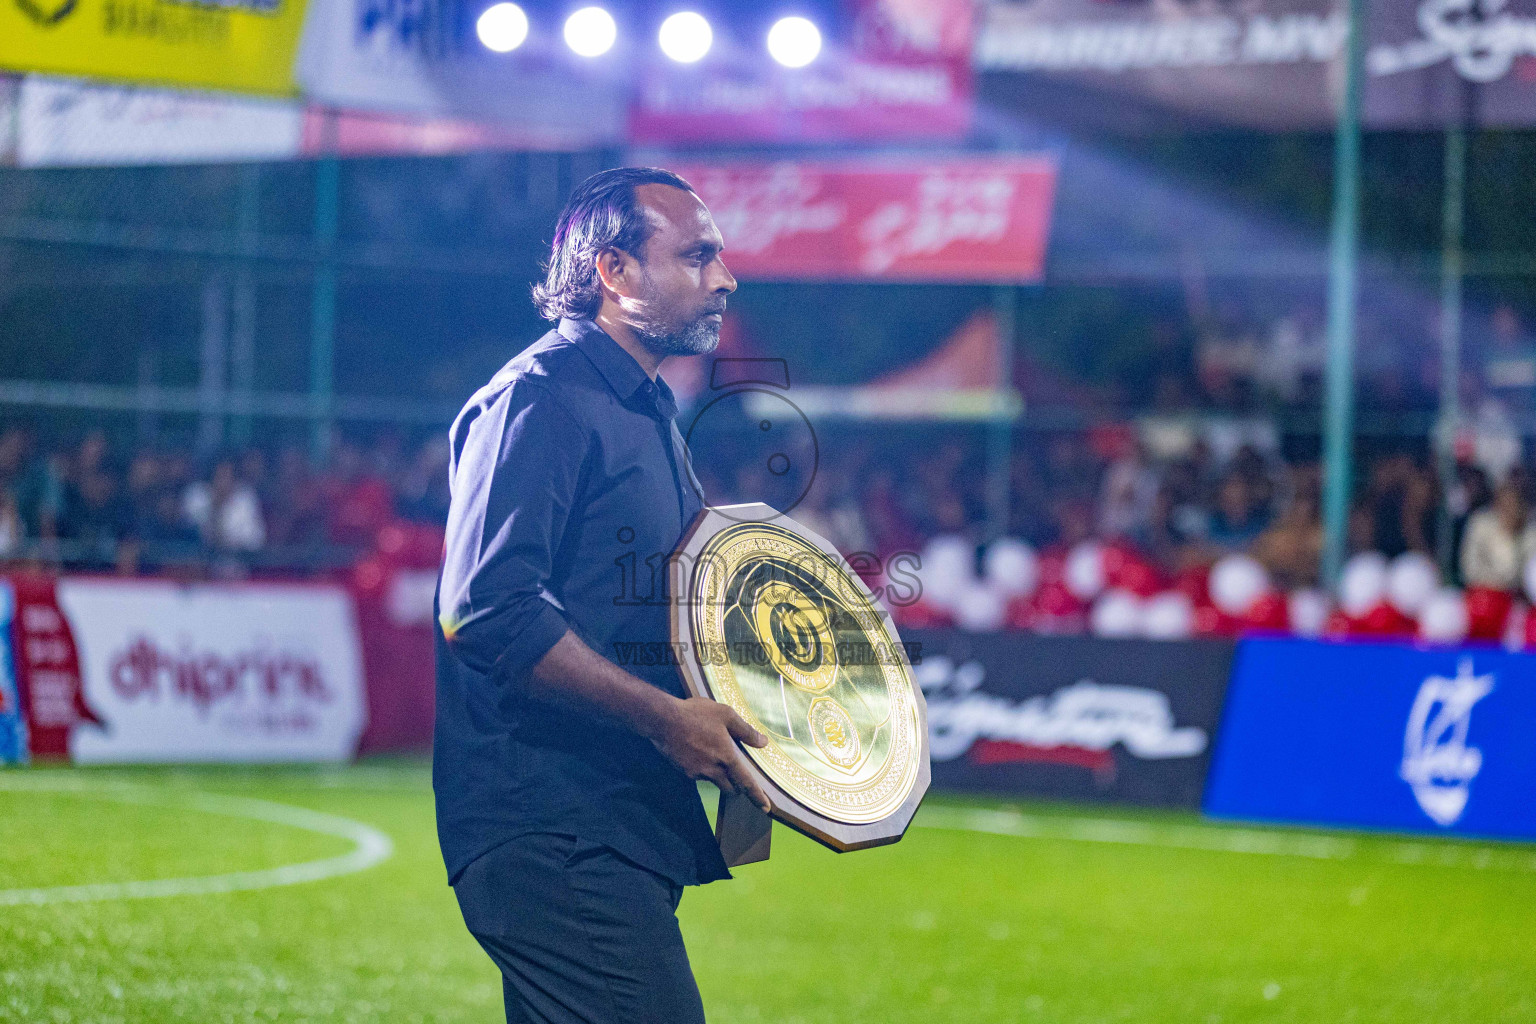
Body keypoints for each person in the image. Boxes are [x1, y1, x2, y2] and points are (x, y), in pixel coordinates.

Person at [434, 167, 770, 1024]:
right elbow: (487, 608)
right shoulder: (539, 398)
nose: (724, 278)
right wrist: (665, 719)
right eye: (697, 256)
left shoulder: (647, 409)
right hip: (554, 825)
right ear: (613, 272)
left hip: (611, 820)